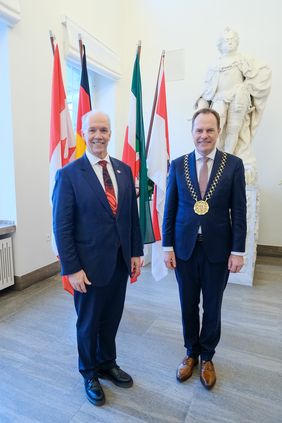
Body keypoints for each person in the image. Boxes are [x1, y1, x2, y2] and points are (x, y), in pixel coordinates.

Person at [52, 110, 143, 406]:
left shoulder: (123, 170)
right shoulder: (68, 174)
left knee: (112, 318)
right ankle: (89, 371)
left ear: (110, 133)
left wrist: (135, 253)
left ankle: (107, 363)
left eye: (103, 130)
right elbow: (62, 226)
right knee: (88, 322)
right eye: (92, 130)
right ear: (82, 133)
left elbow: (130, 216)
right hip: (87, 268)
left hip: (118, 263)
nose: (98, 136)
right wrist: (72, 269)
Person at [162, 108, 247, 390]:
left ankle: (208, 356)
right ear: (192, 133)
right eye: (199, 130)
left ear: (217, 131)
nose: (204, 135)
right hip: (185, 250)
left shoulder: (233, 165)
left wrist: (238, 251)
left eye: (209, 130)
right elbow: (170, 209)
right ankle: (191, 353)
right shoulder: (177, 165)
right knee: (188, 304)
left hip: (218, 252)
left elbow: (240, 211)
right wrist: (167, 247)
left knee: (212, 306)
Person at [195, 28, 271, 165]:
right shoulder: (214, 65)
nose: (229, 42)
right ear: (220, 44)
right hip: (219, 98)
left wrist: (247, 86)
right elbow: (207, 90)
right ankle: (215, 158)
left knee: (234, 128)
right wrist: (201, 106)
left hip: (238, 98)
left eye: (232, 40)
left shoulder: (243, 60)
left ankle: (227, 159)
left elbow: (263, 71)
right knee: (215, 127)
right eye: (226, 40)